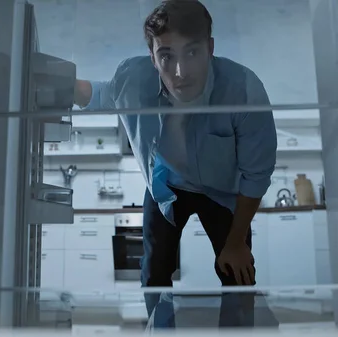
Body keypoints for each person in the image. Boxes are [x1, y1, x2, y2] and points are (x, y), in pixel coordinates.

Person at [74, 0, 278, 328]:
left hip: (223, 190)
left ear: (210, 48)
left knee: (237, 273)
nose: (180, 72)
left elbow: (256, 174)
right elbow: (97, 94)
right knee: (154, 272)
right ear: (153, 58)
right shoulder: (132, 78)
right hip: (166, 185)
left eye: (192, 53)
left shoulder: (243, 89)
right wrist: (56, 80)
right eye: (166, 56)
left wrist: (237, 242)